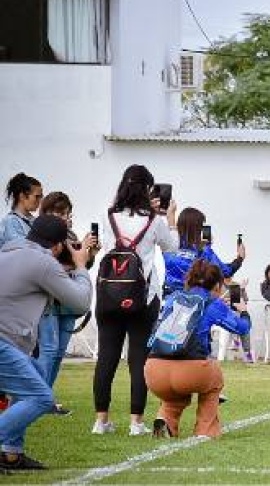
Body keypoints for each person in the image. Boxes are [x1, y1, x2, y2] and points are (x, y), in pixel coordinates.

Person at [0, 215, 92, 471]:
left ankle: (11, 454)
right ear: (59, 245)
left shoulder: (10, 249)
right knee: (41, 398)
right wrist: (82, 265)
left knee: (27, 386)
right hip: (4, 341)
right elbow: (81, 302)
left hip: (11, 342)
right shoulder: (42, 261)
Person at [92, 165, 179, 437]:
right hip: (142, 296)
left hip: (108, 294)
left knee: (106, 358)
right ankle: (135, 422)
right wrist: (169, 217)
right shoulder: (154, 220)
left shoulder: (109, 215)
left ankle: (101, 421)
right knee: (138, 360)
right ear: (148, 190)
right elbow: (172, 247)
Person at [145, 260, 252, 439]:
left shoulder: (174, 297)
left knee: (176, 395)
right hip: (190, 371)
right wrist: (244, 311)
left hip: (154, 369)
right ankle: (205, 430)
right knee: (215, 379)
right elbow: (242, 328)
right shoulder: (212, 303)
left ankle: (165, 419)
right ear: (218, 285)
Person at [35, 192, 99, 415]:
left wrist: (89, 255)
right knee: (48, 351)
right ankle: (38, 399)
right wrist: (76, 263)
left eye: (67, 213)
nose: (65, 217)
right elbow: (48, 265)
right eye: (60, 213)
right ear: (47, 212)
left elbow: (81, 265)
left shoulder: (68, 234)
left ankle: (47, 399)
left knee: (59, 351)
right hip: (49, 301)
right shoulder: (41, 234)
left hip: (68, 301)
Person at [163, 207, 245, 299]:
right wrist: (240, 259)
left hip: (168, 299)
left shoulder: (168, 246)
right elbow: (226, 271)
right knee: (235, 294)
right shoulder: (204, 251)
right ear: (198, 228)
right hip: (194, 301)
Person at [0, 173, 42, 248]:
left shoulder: (34, 221)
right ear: (22, 196)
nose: (40, 200)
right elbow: (21, 251)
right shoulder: (11, 222)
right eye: (37, 196)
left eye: (41, 197)